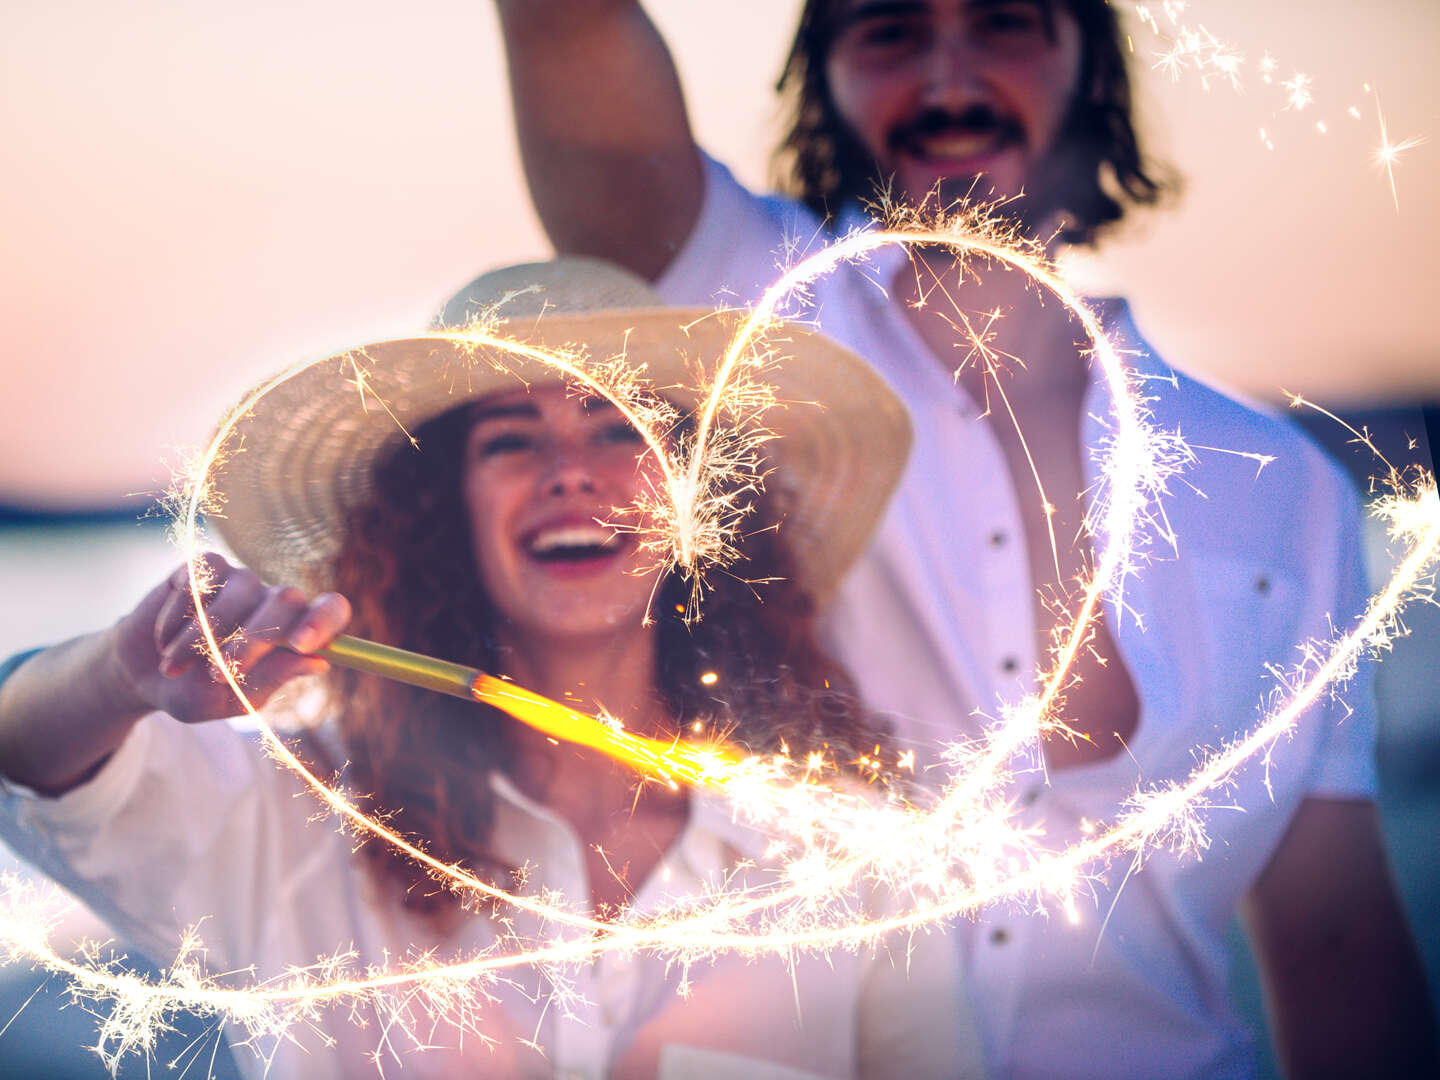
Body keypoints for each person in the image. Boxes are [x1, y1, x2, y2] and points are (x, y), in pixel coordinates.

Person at [491, 2, 1437, 1077]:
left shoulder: (1282, 491)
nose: (947, 78)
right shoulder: (747, 321)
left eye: (1005, 23)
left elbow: (1335, 937)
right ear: (825, 83)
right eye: (888, 31)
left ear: (1092, 72)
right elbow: (567, 30)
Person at [0, 259, 987, 1078]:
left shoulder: (852, 855)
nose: (570, 471)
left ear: (701, 500)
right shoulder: (300, 816)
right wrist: (128, 672)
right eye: (512, 441)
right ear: (441, 512)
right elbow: (23, 751)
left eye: (619, 430)